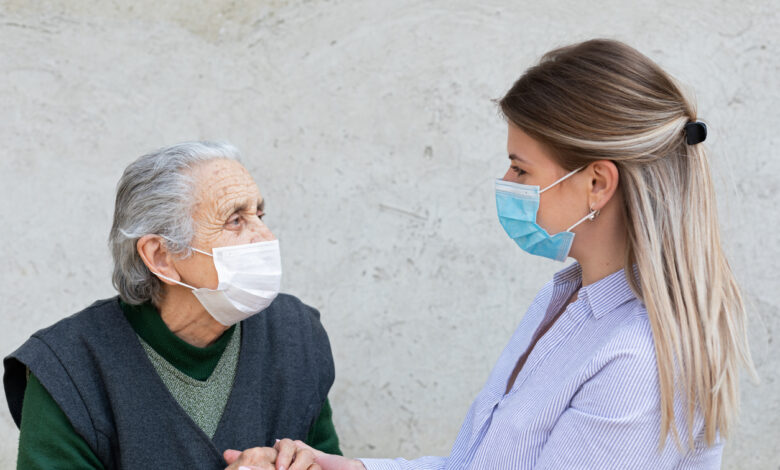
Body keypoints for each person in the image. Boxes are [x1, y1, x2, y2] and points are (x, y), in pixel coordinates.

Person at [234, 39, 756, 469]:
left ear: (596, 183)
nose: (507, 183)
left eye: (521, 168)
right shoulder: (567, 301)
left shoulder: (635, 361)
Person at [4, 142, 339, 469]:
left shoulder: (296, 336)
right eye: (235, 220)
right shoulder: (68, 369)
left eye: (260, 215)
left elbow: (330, 457)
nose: (266, 237)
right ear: (160, 256)